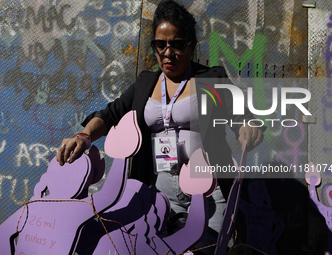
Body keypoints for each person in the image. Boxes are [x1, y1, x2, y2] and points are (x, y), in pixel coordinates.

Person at [56, 0, 264, 252]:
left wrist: (249, 127)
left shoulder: (212, 79)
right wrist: (84, 136)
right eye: (160, 45)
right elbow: (110, 114)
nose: (168, 52)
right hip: (159, 195)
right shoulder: (145, 83)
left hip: (209, 193)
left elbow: (241, 116)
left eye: (177, 44)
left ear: (191, 45)